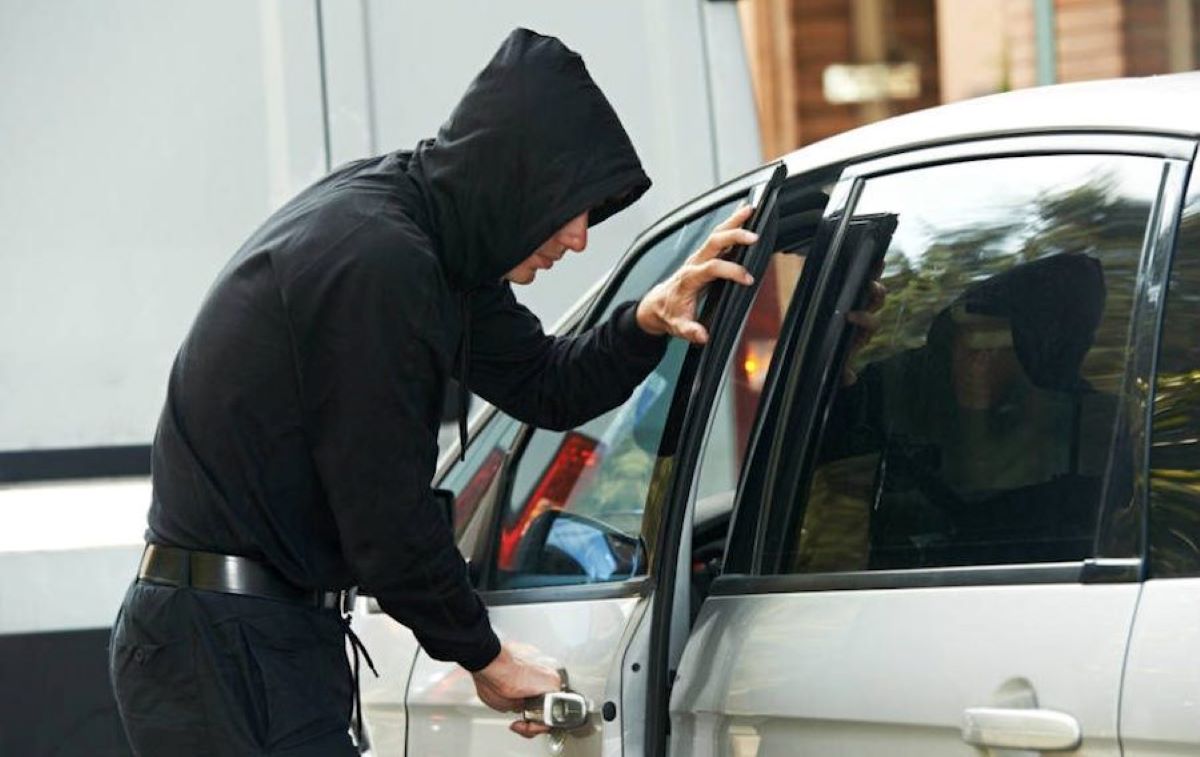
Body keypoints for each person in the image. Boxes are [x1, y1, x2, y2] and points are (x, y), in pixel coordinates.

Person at [108, 28, 759, 755]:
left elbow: (547, 385)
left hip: (258, 634)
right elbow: (387, 513)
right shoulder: (380, 261)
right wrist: (484, 653)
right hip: (227, 644)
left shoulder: (434, 247)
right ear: (517, 181)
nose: (579, 237)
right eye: (572, 205)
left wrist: (647, 318)